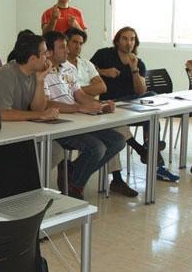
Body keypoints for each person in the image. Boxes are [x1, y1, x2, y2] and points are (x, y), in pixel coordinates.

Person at [91, 26, 180, 182]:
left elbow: (140, 91)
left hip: (131, 103)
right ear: (117, 41)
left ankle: (149, 147)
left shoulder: (138, 62)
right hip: (112, 103)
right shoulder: (104, 54)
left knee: (151, 104)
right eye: (125, 38)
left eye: (132, 39)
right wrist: (104, 72)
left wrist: (134, 69)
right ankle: (151, 152)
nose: (128, 42)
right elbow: (86, 70)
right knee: (125, 120)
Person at [44, 31, 125, 200]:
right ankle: (76, 185)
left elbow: (79, 94)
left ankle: (74, 174)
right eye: (62, 47)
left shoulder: (69, 68)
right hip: (58, 122)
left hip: (77, 118)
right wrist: (78, 108)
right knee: (96, 148)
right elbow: (46, 104)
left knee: (118, 140)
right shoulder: (42, 72)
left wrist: (99, 106)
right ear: (49, 51)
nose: (67, 51)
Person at [65, 28, 138, 197]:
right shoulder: (61, 67)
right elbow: (68, 94)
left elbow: (101, 87)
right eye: (74, 42)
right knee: (111, 135)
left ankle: (77, 169)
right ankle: (116, 177)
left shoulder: (86, 64)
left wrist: (78, 92)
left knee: (117, 135)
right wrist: (83, 94)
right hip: (73, 113)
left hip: (92, 109)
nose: (78, 47)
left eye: (81, 43)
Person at [0, 34, 64, 170]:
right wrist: (40, 115)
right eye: (44, 53)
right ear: (32, 58)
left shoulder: (34, 73)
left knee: (55, 150)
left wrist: (40, 80)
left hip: (18, 129)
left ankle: (32, 184)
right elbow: (2, 114)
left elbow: (38, 109)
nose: (47, 56)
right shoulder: (7, 72)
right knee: (45, 151)